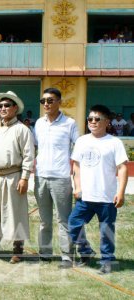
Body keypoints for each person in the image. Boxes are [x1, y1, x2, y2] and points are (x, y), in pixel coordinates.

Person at [69, 104, 128, 274]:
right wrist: (77, 187)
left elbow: (122, 168)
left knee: (106, 230)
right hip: (85, 197)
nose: (93, 122)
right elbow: (77, 166)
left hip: (107, 197)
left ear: (107, 122)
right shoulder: (82, 141)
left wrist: (121, 192)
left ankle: (107, 260)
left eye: (97, 119)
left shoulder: (114, 143)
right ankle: (86, 251)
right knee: (73, 225)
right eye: (90, 119)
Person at [0, 91, 35, 264]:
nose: (3, 108)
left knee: (15, 213)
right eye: (0, 106)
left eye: (7, 105)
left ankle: (17, 250)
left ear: (15, 108)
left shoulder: (22, 130)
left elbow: (28, 155)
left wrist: (25, 177)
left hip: (13, 175)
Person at [33, 88, 80, 268]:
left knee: (63, 219)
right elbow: (34, 148)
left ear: (59, 102)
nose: (46, 104)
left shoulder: (69, 123)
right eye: (43, 101)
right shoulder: (39, 124)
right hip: (41, 177)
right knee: (44, 220)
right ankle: (44, 253)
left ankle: (67, 256)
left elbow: (79, 147)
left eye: (50, 100)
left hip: (61, 178)